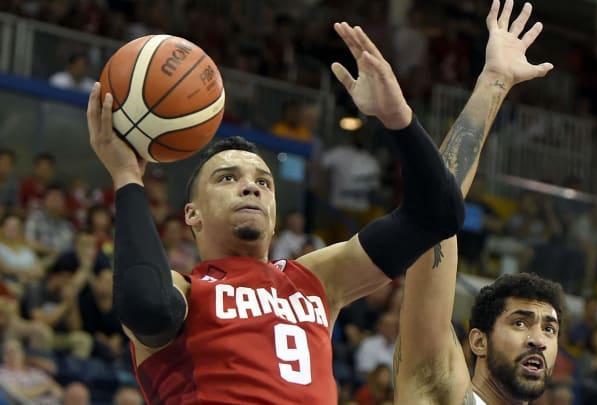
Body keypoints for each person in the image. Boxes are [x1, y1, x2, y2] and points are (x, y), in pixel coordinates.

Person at [86, 21, 465, 405]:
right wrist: (127, 176)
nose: (251, 186)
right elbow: (146, 310)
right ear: (191, 215)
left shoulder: (316, 279)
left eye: (264, 182)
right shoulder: (186, 290)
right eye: (227, 178)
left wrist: (397, 118)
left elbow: (437, 214)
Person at [392, 1, 561, 404]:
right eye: (521, 323)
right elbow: (436, 208)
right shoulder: (440, 390)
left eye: (550, 329)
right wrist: (495, 80)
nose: (538, 339)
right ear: (479, 341)